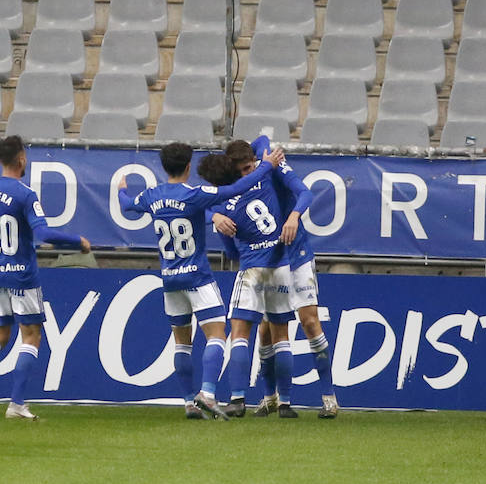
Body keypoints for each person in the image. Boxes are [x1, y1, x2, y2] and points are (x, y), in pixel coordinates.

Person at [114, 141, 280, 419]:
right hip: (198, 277)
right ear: (189, 166)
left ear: (164, 166)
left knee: (182, 343)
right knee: (217, 335)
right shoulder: (195, 194)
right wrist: (266, 166)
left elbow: (126, 205)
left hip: (170, 280)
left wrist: (121, 189)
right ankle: (208, 393)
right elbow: (237, 188)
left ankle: (189, 403)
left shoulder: (151, 196)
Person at [0, 134, 91, 421]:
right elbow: (44, 234)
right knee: (31, 336)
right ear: (21, 158)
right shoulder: (25, 194)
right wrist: (77, 241)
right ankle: (16, 403)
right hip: (22, 276)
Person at [216, 137, 338, 419]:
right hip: (271, 259)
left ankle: (329, 396)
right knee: (266, 329)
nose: (245, 175)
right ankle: (271, 397)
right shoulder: (248, 181)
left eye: (248, 168)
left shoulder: (272, 165)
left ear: (254, 160)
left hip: (297, 254)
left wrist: (293, 216)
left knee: (310, 322)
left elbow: (304, 193)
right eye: (240, 172)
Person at [197, 148, 297, 419]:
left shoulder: (221, 206)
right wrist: (264, 162)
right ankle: (286, 404)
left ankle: (238, 399)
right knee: (282, 337)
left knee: (240, 333)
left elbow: (230, 251)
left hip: (252, 268)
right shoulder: (262, 179)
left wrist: (214, 218)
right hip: (280, 265)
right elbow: (262, 143)